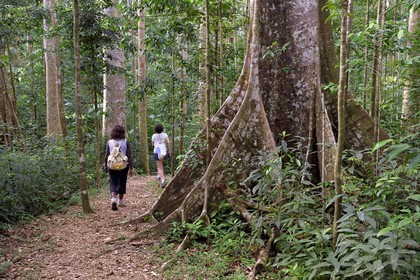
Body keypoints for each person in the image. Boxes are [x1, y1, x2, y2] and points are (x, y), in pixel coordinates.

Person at [104, 125, 133, 210]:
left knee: (113, 182)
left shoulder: (109, 142)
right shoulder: (126, 142)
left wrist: (105, 165)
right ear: (123, 133)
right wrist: (131, 167)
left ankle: (113, 199)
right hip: (123, 165)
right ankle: (120, 201)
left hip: (112, 165)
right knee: (122, 182)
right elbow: (129, 155)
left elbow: (106, 155)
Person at [151, 123, 171, 187]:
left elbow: (153, 144)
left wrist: (156, 144)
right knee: (161, 164)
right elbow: (169, 142)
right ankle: (159, 175)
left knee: (159, 166)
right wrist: (170, 151)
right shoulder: (165, 135)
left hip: (157, 151)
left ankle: (163, 180)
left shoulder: (154, 136)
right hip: (163, 151)